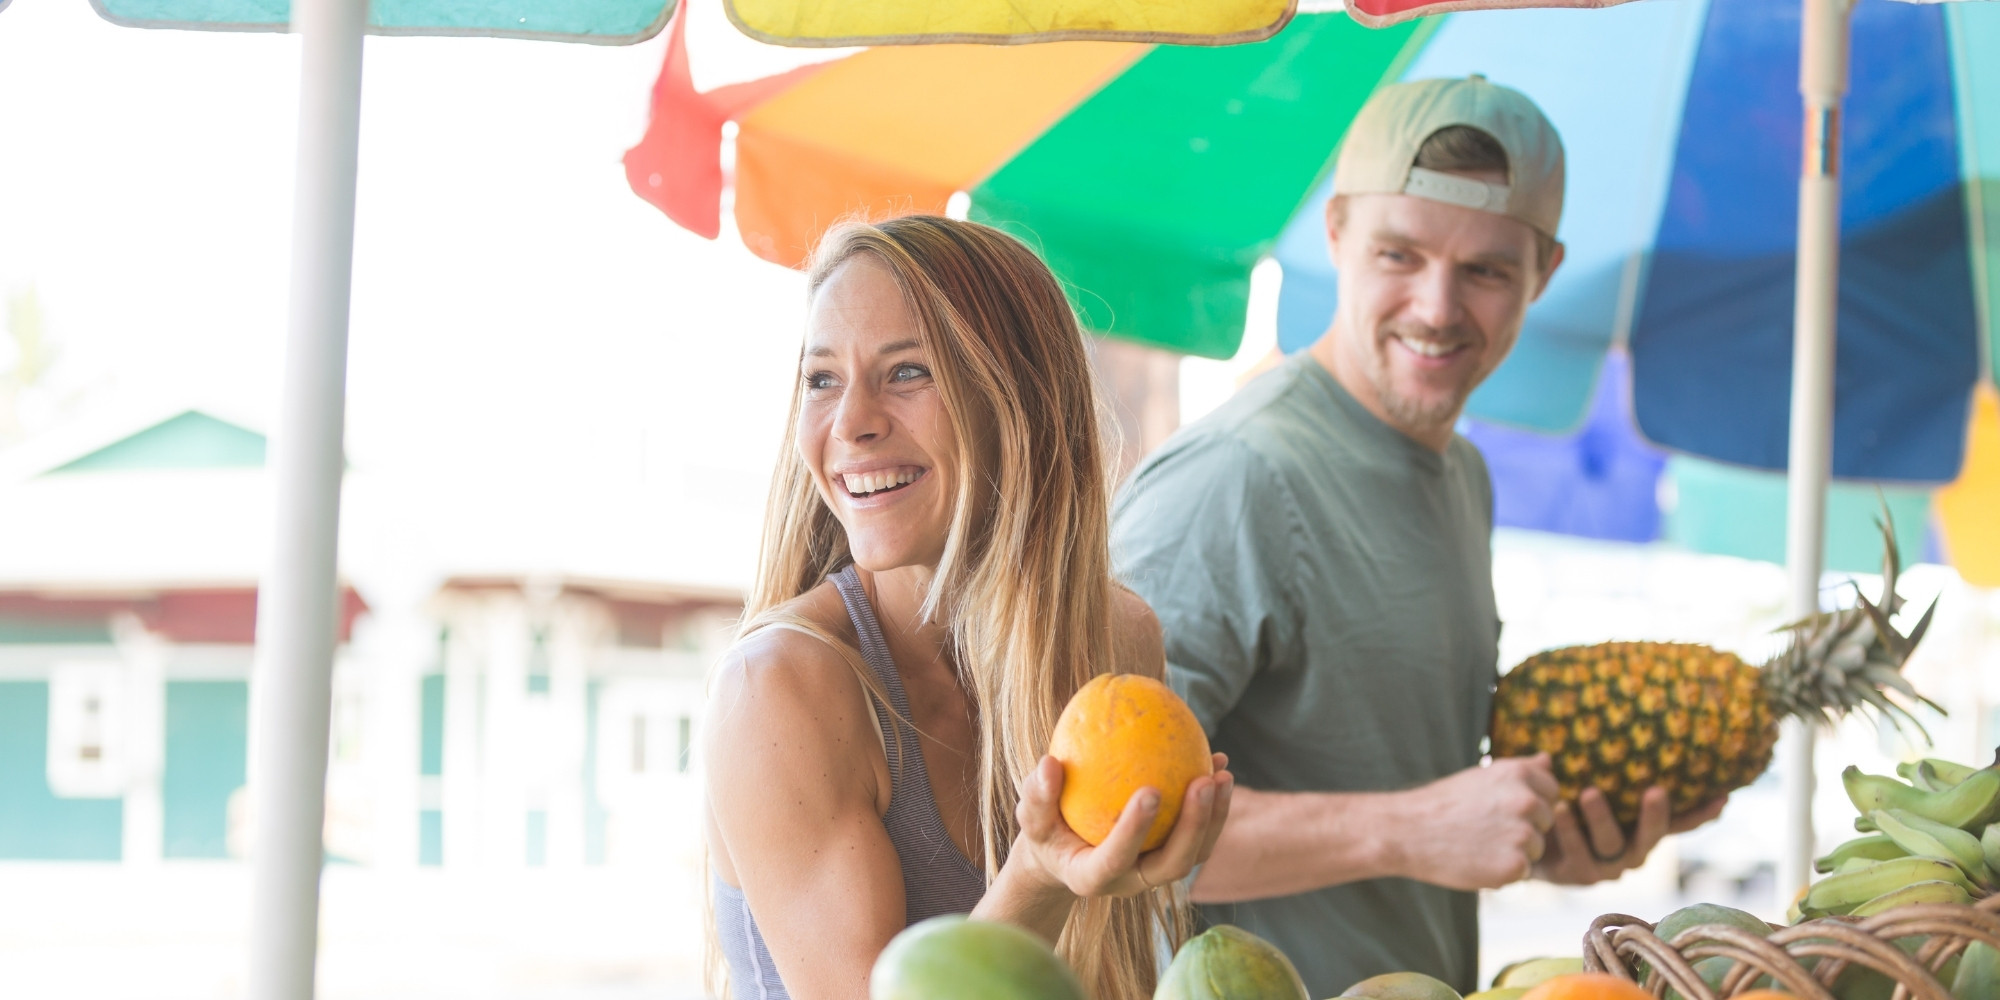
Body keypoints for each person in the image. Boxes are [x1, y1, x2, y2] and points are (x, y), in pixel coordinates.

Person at [1109, 76, 1725, 997]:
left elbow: (1404, 790)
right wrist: (1407, 828)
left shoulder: (1461, 478)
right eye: (1400, 254)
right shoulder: (1235, 478)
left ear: (1543, 275)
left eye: (1486, 271)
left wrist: (1543, 846)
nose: (1438, 308)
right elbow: (1116, 826)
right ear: (1337, 233)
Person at [703, 215, 1235, 1000]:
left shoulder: (1115, 643)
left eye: (907, 371)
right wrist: (1041, 874)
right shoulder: (778, 687)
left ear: (1018, 401)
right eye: (822, 379)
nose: (851, 423)